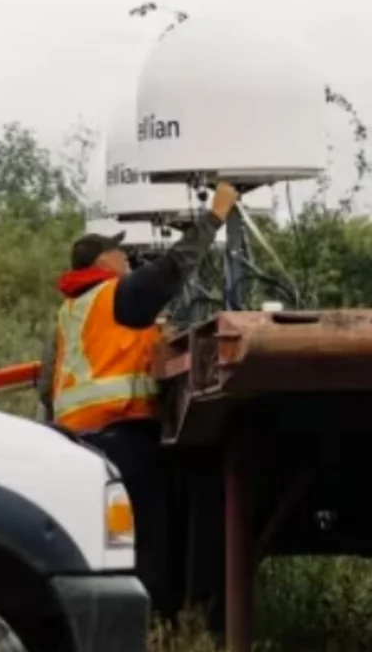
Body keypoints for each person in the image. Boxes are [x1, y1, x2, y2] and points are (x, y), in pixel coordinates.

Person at [37, 182, 241, 609]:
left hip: (75, 446)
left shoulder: (70, 312)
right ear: (102, 262)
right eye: (119, 252)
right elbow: (175, 266)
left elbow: (45, 387)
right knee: (149, 539)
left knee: (104, 543)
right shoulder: (120, 295)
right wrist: (215, 215)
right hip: (124, 438)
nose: (126, 257)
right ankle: (158, 623)